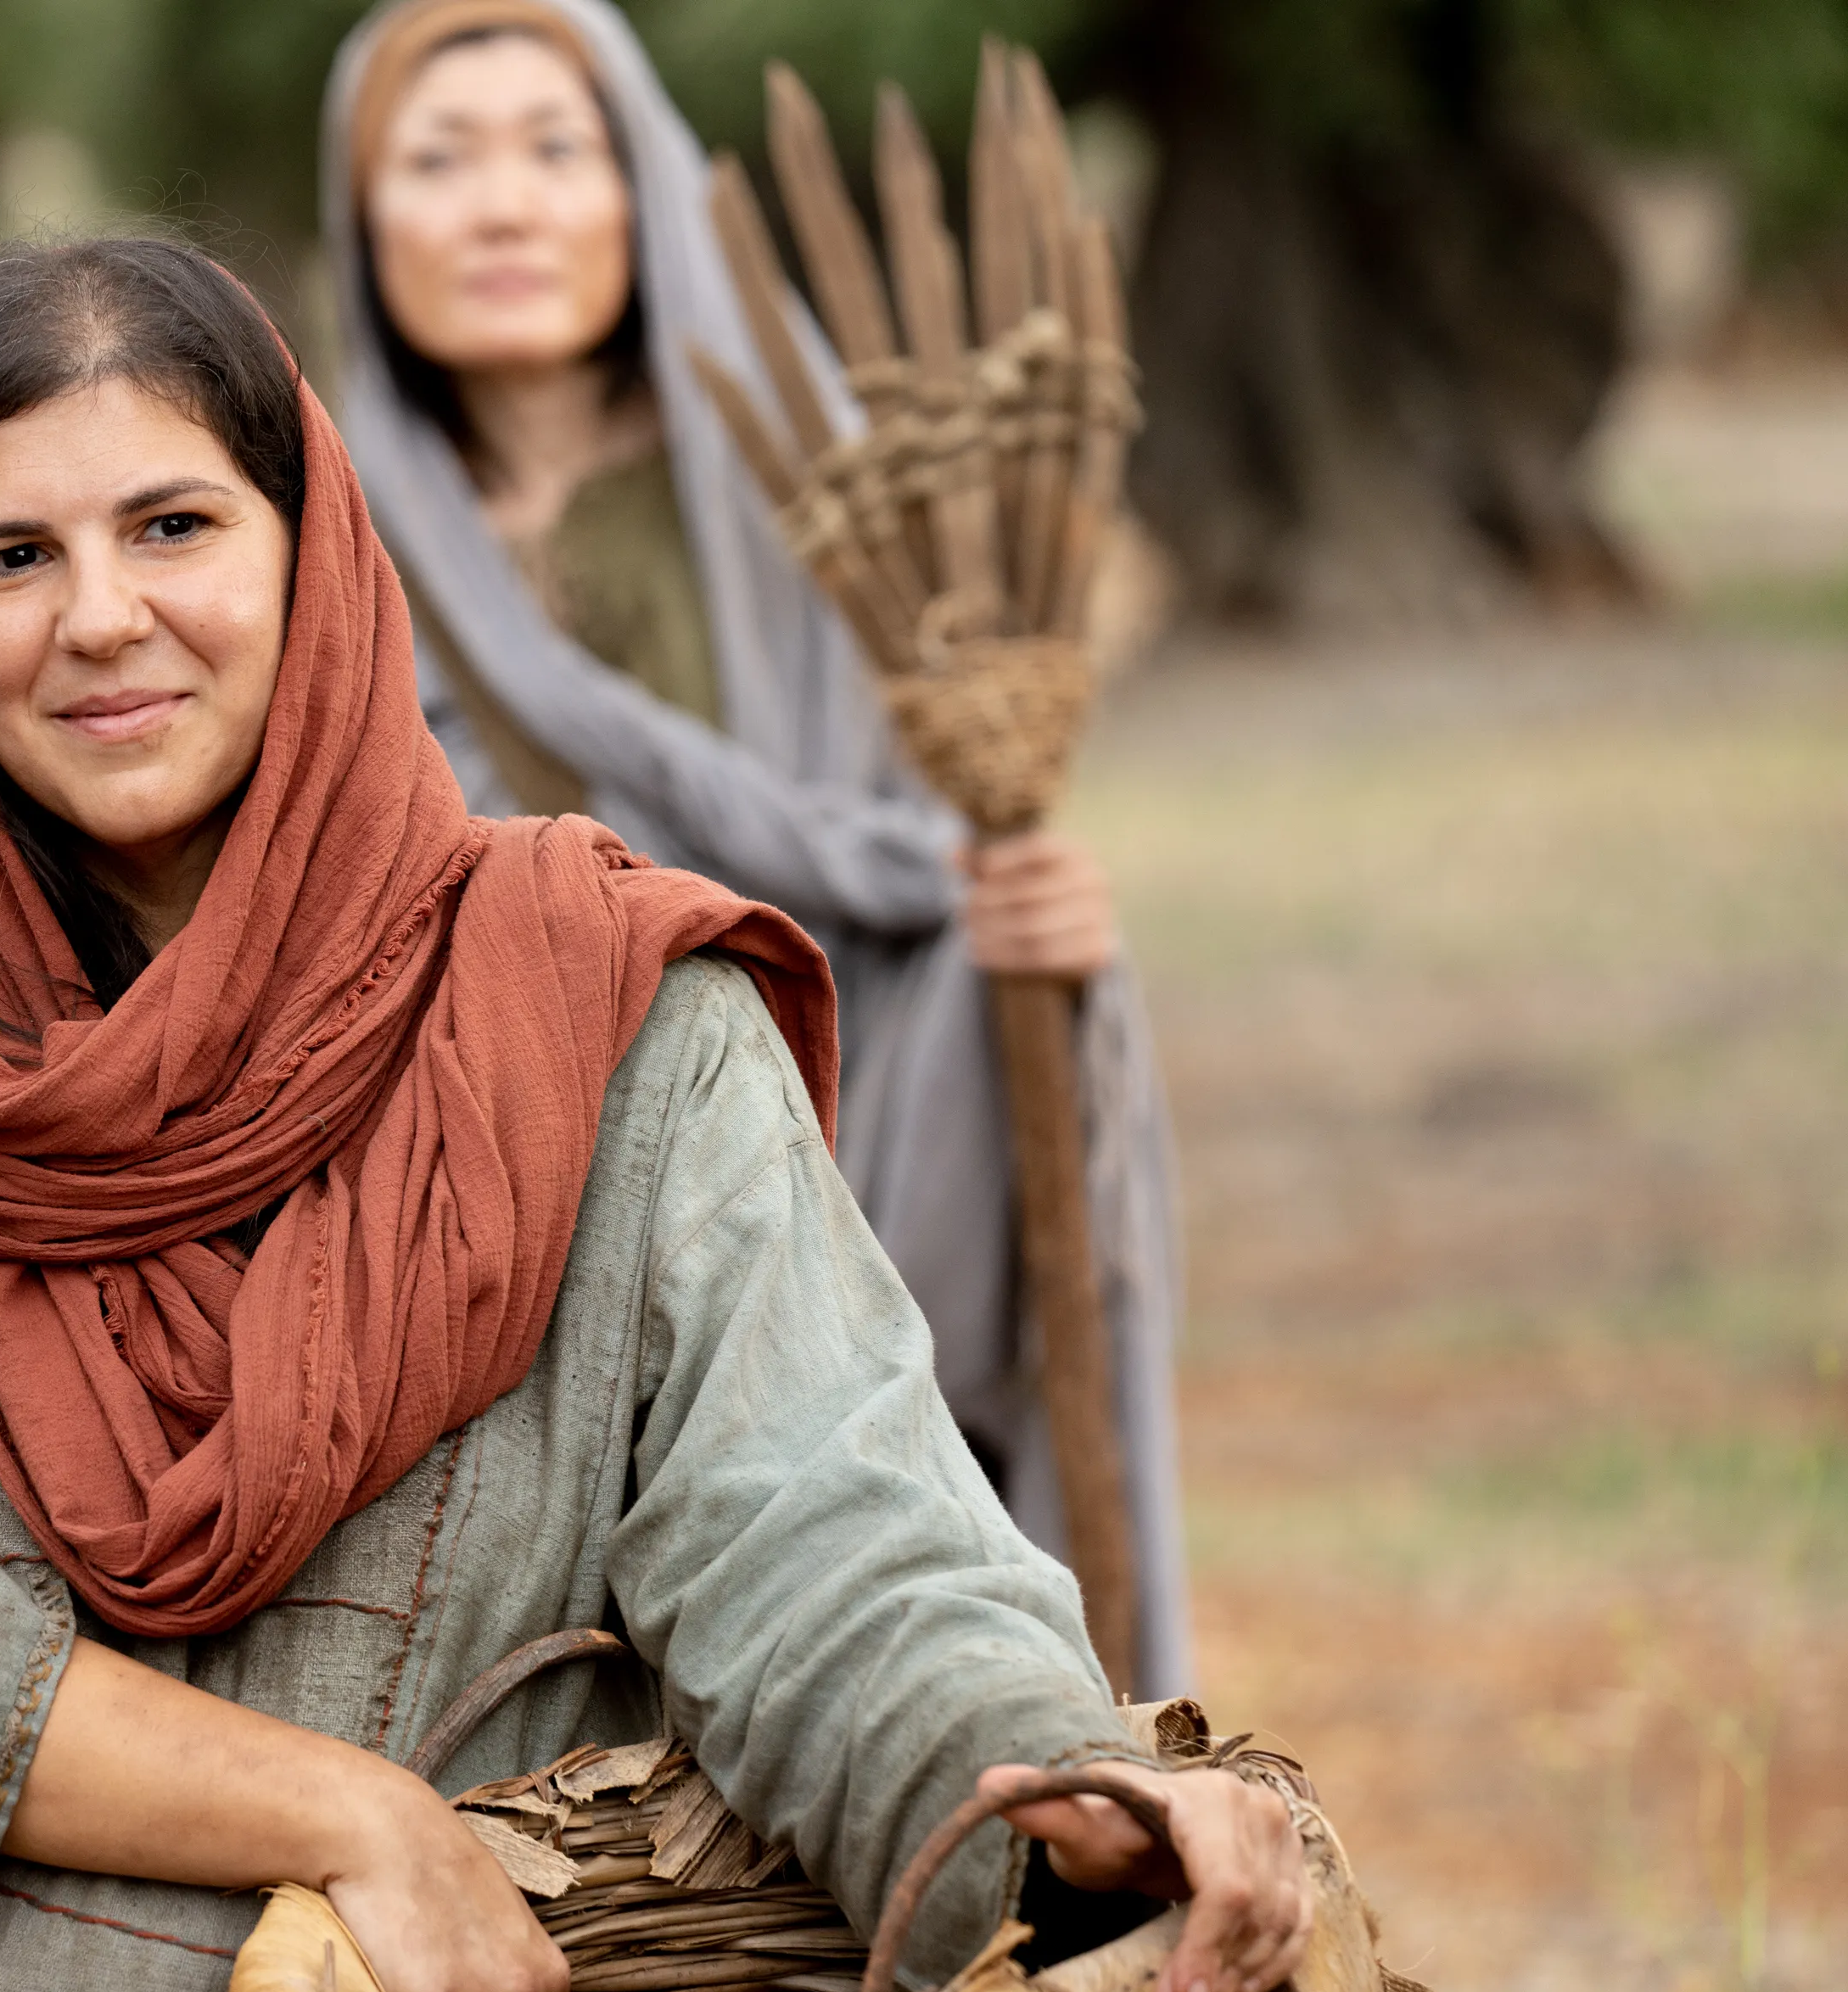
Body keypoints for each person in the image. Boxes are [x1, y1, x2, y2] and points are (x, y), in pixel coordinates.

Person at [0, 234, 1302, 1992]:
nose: (98, 618)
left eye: (174, 524)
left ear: (313, 549)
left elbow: (831, 1540)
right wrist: (359, 1818)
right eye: (12, 557)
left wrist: (1055, 1798)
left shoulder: (606, 1012)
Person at [321, 0, 1195, 1697]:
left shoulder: (840, 506)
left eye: (557, 150)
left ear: (643, 187)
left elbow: (925, 828)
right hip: (505, 1214)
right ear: (367, 229)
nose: (504, 206)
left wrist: (1011, 907)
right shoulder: (312, 551)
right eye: (440, 160)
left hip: (877, 1136)